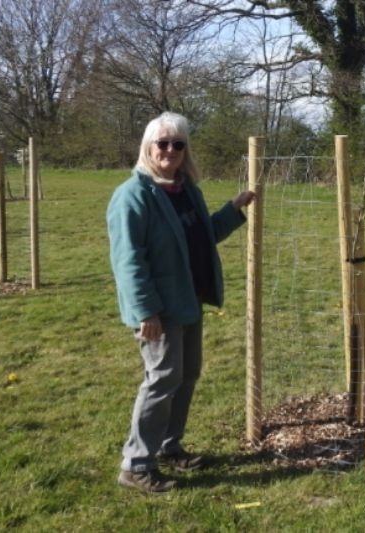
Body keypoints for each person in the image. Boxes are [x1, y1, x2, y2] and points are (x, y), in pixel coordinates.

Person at [107, 111, 255, 493]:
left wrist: (233, 210)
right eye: (163, 143)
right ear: (148, 148)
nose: (170, 150)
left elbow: (201, 236)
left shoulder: (185, 189)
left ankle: (169, 447)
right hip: (159, 308)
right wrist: (146, 312)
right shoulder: (133, 196)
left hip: (188, 300)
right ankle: (136, 464)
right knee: (161, 380)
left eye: (178, 144)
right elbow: (128, 261)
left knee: (185, 376)